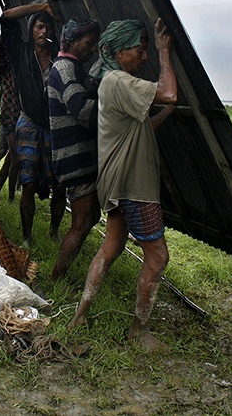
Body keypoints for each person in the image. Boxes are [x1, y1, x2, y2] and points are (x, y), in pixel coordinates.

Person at [69, 18, 178, 352]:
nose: (142, 57)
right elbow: (169, 93)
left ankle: (80, 316)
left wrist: (166, 114)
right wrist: (163, 52)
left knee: (111, 247)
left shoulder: (113, 84)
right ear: (116, 51)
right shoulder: (118, 79)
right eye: (138, 50)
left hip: (117, 181)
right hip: (134, 184)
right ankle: (138, 332)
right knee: (158, 257)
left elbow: (141, 126)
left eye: (146, 49)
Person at [0, 2, 60, 246]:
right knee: (28, 182)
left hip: (55, 126)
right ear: (31, 29)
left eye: (47, 27)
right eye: (39, 26)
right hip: (28, 122)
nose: (43, 32)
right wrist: (42, 5)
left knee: (59, 183)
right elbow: (6, 18)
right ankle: (27, 237)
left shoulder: (59, 57)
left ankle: (54, 233)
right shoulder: (21, 52)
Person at [47, 18, 102, 280]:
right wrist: (111, 101)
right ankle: (57, 276)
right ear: (72, 42)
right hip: (74, 157)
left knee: (90, 218)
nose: (92, 49)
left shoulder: (72, 67)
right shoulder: (66, 68)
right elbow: (83, 111)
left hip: (78, 156)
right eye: (89, 43)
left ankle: (61, 273)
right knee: (81, 222)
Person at [0, 35, 20, 201]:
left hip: (12, 117)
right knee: (13, 157)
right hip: (9, 117)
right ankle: (9, 197)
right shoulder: (4, 67)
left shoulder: (17, 70)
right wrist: (6, 28)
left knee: (6, 154)